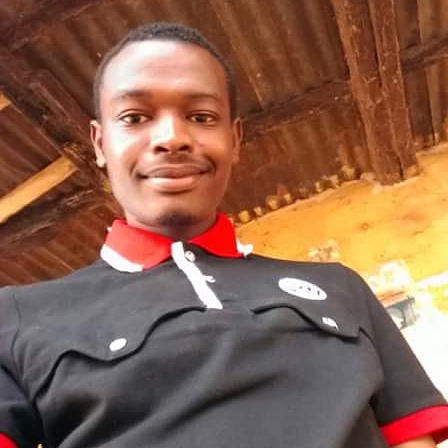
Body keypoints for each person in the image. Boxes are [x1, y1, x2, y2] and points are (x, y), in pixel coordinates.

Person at [0, 22, 447, 448]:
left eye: (201, 116)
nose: (172, 138)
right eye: (135, 117)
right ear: (100, 143)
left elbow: (411, 439)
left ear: (234, 140)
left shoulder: (340, 287)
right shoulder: (16, 315)